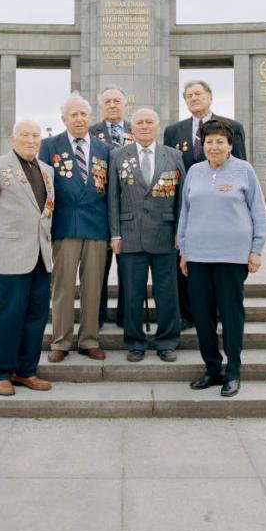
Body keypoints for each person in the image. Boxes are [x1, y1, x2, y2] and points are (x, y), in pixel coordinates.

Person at [177, 119, 266, 397]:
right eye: (209, 142)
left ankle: (233, 371)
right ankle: (212, 369)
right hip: (198, 256)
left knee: (230, 315)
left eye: (220, 142)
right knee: (202, 318)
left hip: (232, 256)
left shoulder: (244, 170)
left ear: (229, 146)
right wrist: (183, 250)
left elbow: (258, 212)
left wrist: (256, 249)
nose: (213, 147)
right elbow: (185, 213)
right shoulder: (194, 171)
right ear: (202, 145)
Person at [0, 120, 55, 397]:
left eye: (36, 135)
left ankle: (27, 370)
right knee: (8, 316)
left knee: (36, 317)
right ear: (13, 139)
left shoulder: (46, 171)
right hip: (9, 258)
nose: (31, 140)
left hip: (41, 258)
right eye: (25, 135)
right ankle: (2, 373)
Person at [163, 80, 248, 329]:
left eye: (198, 94)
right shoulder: (173, 131)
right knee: (188, 262)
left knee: (223, 263)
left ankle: (224, 311)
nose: (193, 98)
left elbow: (241, 167)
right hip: (189, 204)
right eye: (188, 95)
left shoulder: (232, 127)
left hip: (224, 207)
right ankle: (189, 313)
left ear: (210, 97)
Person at [39, 93, 111, 362]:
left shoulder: (105, 149)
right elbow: (43, 187)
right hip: (65, 226)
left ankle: (89, 339)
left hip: (96, 227)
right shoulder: (49, 146)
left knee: (93, 288)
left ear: (90, 117)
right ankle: (61, 341)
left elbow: (110, 193)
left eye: (83, 114)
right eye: (73, 115)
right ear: (63, 119)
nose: (79, 119)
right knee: (63, 287)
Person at [109, 108, 184, 362]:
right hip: (130, 235)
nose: (143, 126)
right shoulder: (118, 156)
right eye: (139, 122)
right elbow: (113, 199)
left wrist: (180, 233)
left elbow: (181, 199)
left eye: (148, 122)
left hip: (165, 234)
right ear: (132, 127)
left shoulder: (173, 155)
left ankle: (167, 342)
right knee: (132, 293)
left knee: (167, 292)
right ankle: (135, 342)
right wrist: (115, 234)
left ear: (157, 125)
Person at [89, 84, 132, 327]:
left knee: (127, 271)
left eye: (117, 101)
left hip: (128, 213)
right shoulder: (90, 132)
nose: (113, 105)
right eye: (108, 102)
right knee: (98, 271)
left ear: (125, 105)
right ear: (101, 106)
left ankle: (126, 316)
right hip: (99, 212)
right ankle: (97, 316)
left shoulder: (136, 130)